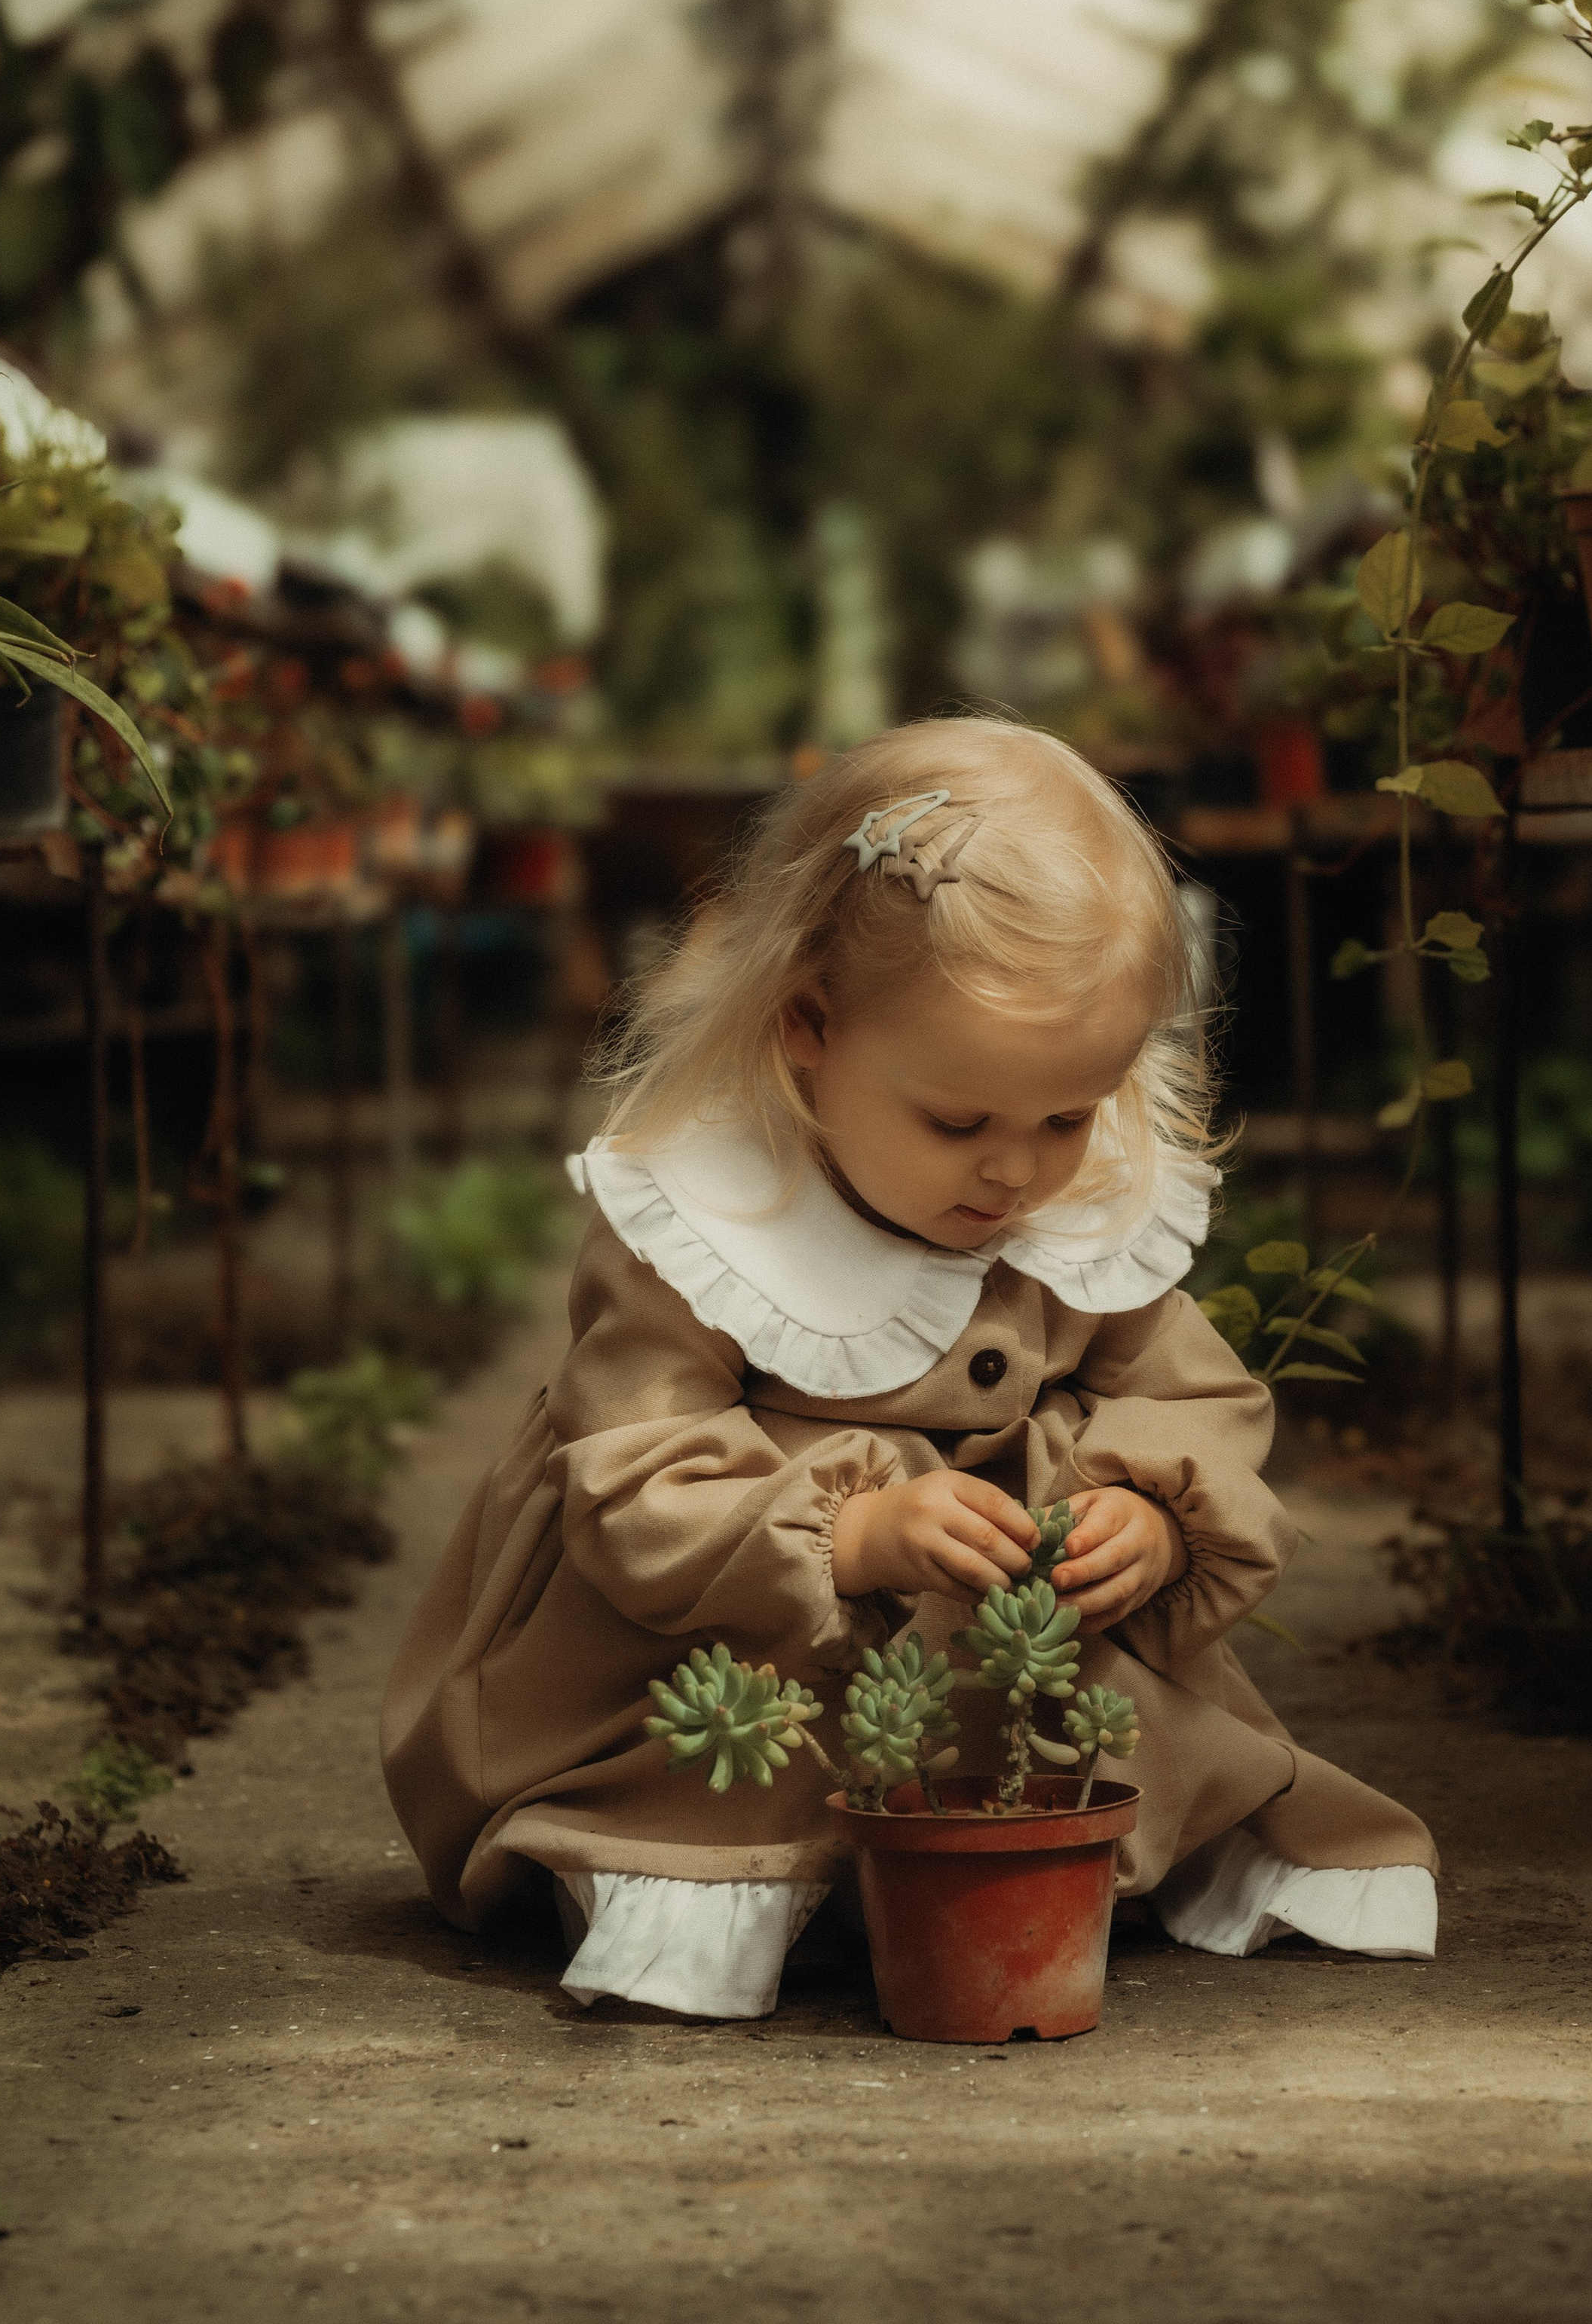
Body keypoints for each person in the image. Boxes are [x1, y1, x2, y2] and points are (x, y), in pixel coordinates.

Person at [382, 715, 1437, 2017]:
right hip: (730, 1641)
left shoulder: (1065, 1207)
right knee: (714, 1772)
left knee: (1137, 1735)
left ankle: (1102, 1847)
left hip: (1001, 1656)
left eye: (1066, 1116)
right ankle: (698, 1877)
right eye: (959, 1121)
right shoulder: (712, 1223)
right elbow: (632, 1472)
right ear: (808, 1026)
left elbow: (1189, 1396)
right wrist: (857, 1532)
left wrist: (1152, 1521)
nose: (1014, 1170)